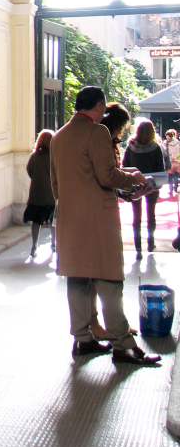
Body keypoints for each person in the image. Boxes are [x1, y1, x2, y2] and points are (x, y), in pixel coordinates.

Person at [50, 86, 161, 366]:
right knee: (109, 281)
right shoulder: (97, 132)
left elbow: (55, 184)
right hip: (98, 220)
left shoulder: (59, 136)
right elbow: (107, 175)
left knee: (76, 280)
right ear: (99, 107)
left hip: (69, 219)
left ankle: (83, 339)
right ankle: (122, 345)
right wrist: (133, 177)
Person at [89, 102, 136, 341]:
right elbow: (106, 175)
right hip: (99, 215)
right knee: (107, 276)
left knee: (103, 276)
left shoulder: (105, 139)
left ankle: (114, 328)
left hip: (103, 209)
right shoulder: (101, 138)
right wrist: (130, 179)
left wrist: (127, 185)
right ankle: (114, 332)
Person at [122, 120, 164, 258]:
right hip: (151, 185)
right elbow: (160, 169)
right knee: (151, 215)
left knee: (136, 217)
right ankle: (150, 243)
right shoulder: (156, 148)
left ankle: (138, 248)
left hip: (135, 186)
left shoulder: (130, 147)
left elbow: (124, 166)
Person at [23, 129, 56, 257]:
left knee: (35, 221)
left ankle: (34, 245)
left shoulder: (34, 157)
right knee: (53, 221)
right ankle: (54, 244)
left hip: (36, 195)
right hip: (51, 195)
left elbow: (29, 170)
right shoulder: (53, 157)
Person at [164, 129, 180, 196]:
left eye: (167, 136)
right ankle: (175, 188)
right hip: (176, 161)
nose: (166, 137)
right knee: (176, 174)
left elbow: (164, 152)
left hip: (169, 161)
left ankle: (171, 189)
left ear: (170, 136)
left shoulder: (166, 143)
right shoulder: (177, 143)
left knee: (170, 176)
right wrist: (178, 159)